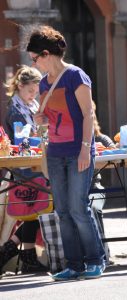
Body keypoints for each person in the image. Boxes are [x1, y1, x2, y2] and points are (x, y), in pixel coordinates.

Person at [26, 25, 106, 281]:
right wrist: (41, 120)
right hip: (56, 151)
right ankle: (74, 265)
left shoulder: (76, 76)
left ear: (46, 54)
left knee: (78, 208)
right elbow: (52, 120)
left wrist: (85, 150)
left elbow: (87, 113)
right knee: (62, 211)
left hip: (77, 150)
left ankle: (95, 260)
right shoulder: (43, 85)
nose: (34, 64)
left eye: (35, 58)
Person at [0, 65, 48, 275]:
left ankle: (26, 255)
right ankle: (11, 248)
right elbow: (24, 142)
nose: (32, 95)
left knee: (36, 210)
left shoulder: (30, 105)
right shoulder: (16, 110)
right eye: (30, 91)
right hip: (25, 166)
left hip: (35, 163)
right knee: (43, 208)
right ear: (20, 86)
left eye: (35, 92)